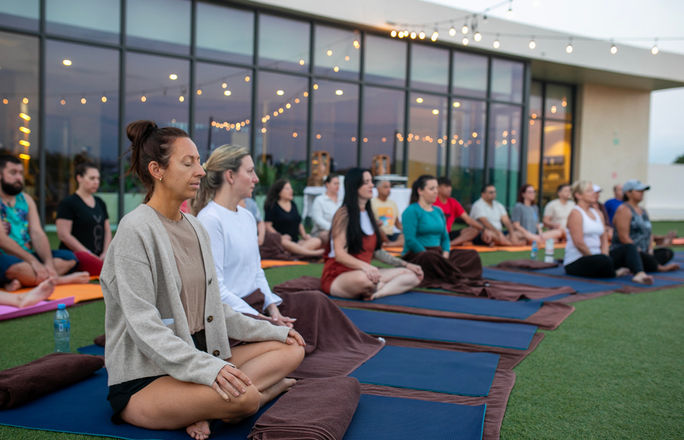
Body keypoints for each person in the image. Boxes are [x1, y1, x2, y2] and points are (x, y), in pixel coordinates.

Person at [102, 121, 305, 440]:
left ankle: (208, 408)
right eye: (188, 162)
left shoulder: (195, 228)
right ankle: (246, 398)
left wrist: (274, 329)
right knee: (247, 397)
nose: (200, 170)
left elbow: (217, 310)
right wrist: (210, 371)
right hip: (148, 376)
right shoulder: (135, 230)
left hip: (201, 352)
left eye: (198, 161)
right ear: (157, 169)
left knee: (292, 347)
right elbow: (145, 327)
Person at [193, 145, 294, 327]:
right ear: (230, 176)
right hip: (233, 313)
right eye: (249, 171)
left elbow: (257, 272)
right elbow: (216, 288)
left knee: (316, 303)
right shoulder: (210, 219)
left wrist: (273, 310)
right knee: (295, 345)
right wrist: (260, 320)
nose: (255, 179)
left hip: (256, 305)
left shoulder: (247, 217)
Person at [321, 168, 422, 300]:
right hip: (340, 275)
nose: (371, 185)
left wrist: (405, 264)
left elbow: (376, 252)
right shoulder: (343, 214)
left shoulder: (369, 215)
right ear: (355, 186)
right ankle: (379, 286)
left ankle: (378, 293)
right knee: (365, 280)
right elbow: (340, 255)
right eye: (366, 182)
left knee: (414, 275)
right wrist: (366, 267)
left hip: (367, 272)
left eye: (371, 181)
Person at [0, 154, 89, 290]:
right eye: (13, 173)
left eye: (21, 173)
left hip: (26, 255)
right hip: (5, 258)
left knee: (70, 258)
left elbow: (37, 233)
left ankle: (22, 280)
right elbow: (2, 239)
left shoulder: (26, 200)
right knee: (16, 267)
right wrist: (33, 261)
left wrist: (48, 264)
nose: (19, 177)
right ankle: (58, 280)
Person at [563, 180, 652, 284]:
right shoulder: (576, 213)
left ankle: (639, 274)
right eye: (589, 191)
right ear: (578, 195)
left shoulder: (597, 213)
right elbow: (579, 243)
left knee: (629, 247)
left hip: (600, 258)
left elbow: (604, 238)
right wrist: (599, 259)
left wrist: (605, 255)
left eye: (593, 190)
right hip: (577, 260)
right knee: (603, 261)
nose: (594, 193)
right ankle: (613, 272)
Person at [401, 175, 483, 281]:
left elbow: (445, 237)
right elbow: (410, 240)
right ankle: (451, 273)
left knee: (472, 254)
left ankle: (447, 271)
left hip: (438, 254)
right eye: (432, 189)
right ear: (420, 191)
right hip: (418, 255)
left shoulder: (438, 211)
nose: (436, 192)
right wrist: (427, 253)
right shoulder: (411, 211)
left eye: (436, 188)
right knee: (430, 258)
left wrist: (445, 254)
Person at [56, 156, 112, 276]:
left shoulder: (100, 202)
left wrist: (106, 252)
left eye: (98, 178)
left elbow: (107, 230)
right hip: (76, 258)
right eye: (92, 178)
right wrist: (87, 254)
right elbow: (64, 235)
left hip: (99, 257)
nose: (96, 181)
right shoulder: (68, 203)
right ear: (79, 178)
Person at [611, 179, 679, 273]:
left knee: (667, 252)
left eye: (642, 191)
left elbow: (648, 234)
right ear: (628, 193)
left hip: (644, 252)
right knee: (637, 253)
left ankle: (643, 264)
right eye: (638, 191)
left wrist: (650, 250)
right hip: (629, 252)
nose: (642, 193)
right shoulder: (624, 210)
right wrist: (642, 253)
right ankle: (657, 267)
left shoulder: (643, 211)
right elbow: (624, 238)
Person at [264, 179, 324, 258]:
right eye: (287, 188)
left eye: (291, 188)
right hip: (281, 241)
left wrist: (304, 235)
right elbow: (268, 226)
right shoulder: (272, 206)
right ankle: (311, 253)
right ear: (279, 192)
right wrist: (279, 237)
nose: (291, 191)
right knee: (285, 242)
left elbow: (298, 223)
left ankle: (292, 253)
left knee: (317, 241)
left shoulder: (293, 204)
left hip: (295, 242)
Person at [433, 177, 483, 246]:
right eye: (446, 186)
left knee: (473, 230)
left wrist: (484, 229)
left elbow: (468, 219)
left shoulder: (453, 202)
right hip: (434, 235)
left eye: (450, 186)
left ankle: (450, 244)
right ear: (438, 188)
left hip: (447, 235)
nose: (449, 189)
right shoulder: (432, 201)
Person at [370, 180, 403, 247]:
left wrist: (408, 230)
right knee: (379, 232)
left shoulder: (392, 203)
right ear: (378, 189)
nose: (389, 189)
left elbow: (397, 224)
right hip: (378, 234)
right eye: (386, 187)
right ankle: (390, 244)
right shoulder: (371, 203)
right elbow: (371, 223)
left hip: (391, 235)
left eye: (389, 187)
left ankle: (388, 245)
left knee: (405, 237)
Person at [309, 174, 341, 245]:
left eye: (338, 183)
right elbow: (317, 219)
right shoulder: (320, 200)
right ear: (327, 184)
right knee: (327, 235)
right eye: (335, 183)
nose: (337, 186)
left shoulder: (341, 200)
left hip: (341, 230)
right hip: (322, 231)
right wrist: (333, 228)